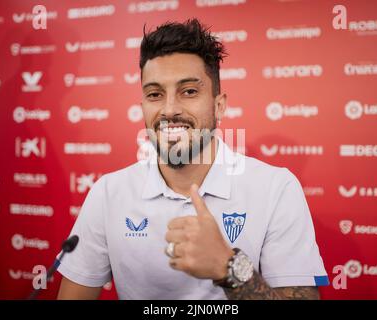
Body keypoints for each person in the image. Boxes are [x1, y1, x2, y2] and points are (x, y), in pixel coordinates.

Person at [56, 19, 328, 300]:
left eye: (189, 91)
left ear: (218, 105)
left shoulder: (276, 188)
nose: (170, 109)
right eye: (154, 94)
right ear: (143, 107)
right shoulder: (108, 193)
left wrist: (229, 267)